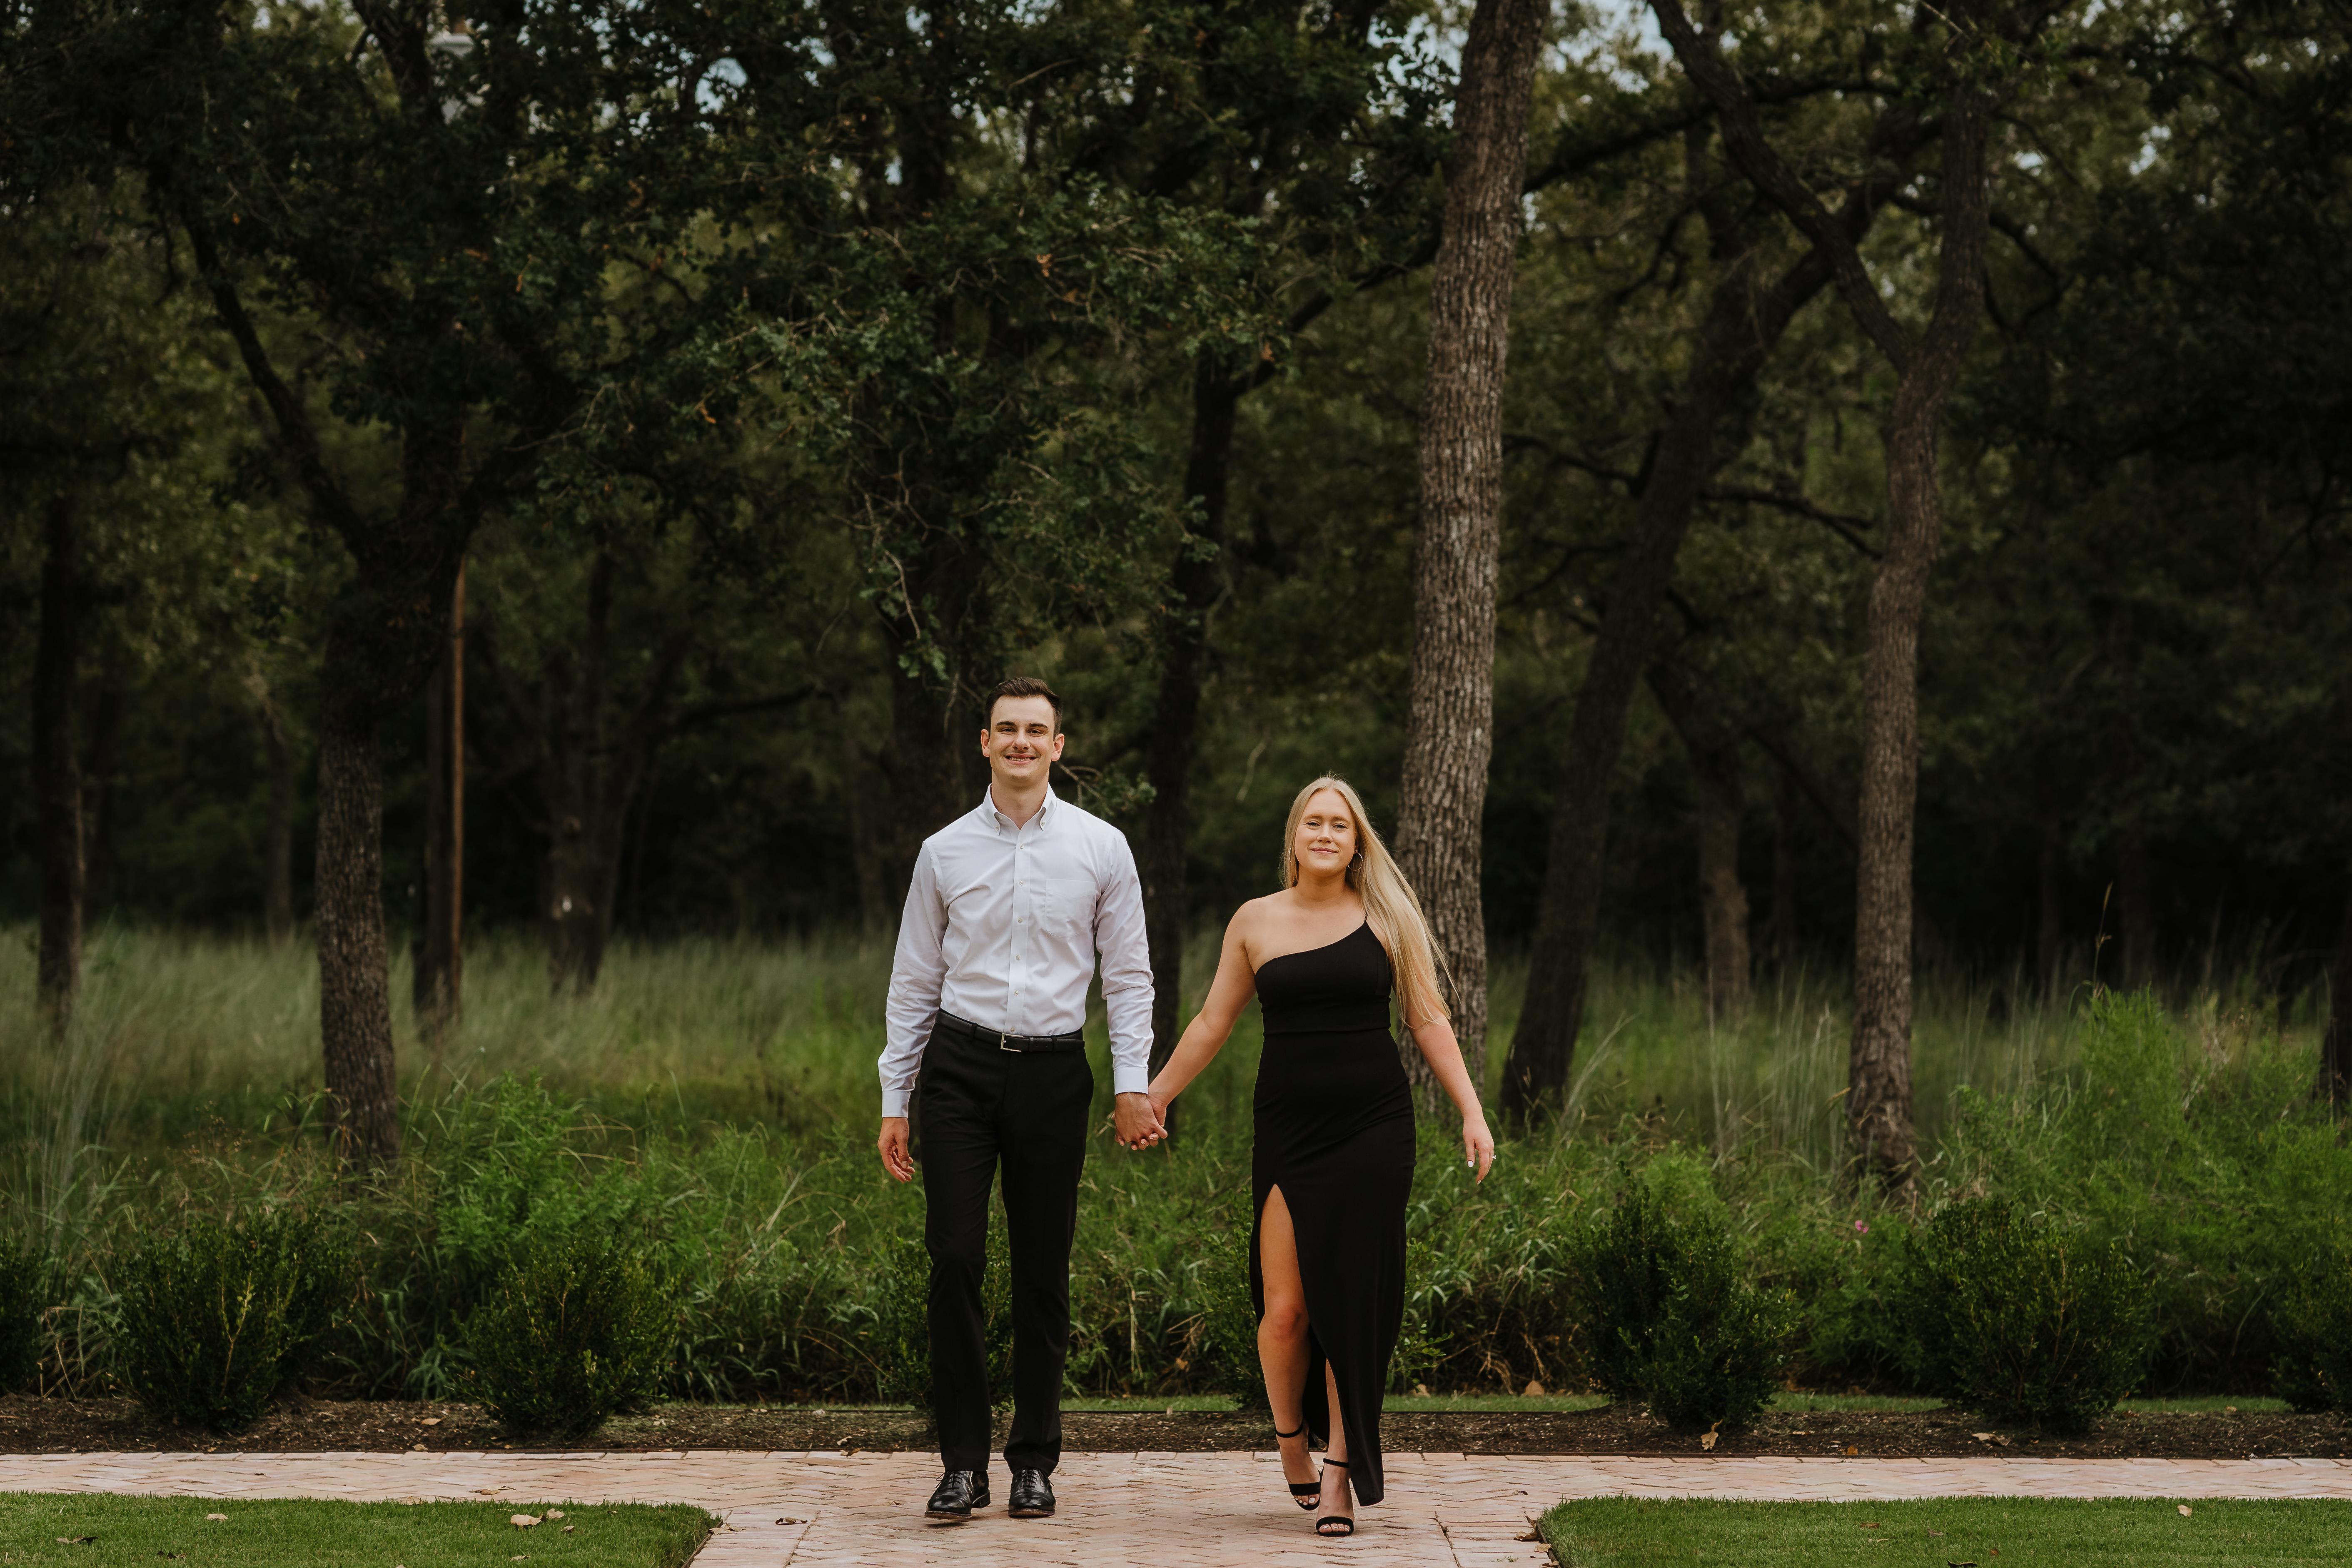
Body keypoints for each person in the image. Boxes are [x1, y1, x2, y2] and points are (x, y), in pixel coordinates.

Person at [1146, 775, 1494, 1537]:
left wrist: (1472, 1111)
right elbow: (1212, 1021)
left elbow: (1428, 1019)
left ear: (1357, 840)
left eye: (1341, 823)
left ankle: (1340, 1472)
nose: (1327, 833)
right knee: (1285, 1313)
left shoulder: (1388, 915)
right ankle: (1289, 1440)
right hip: (1288, 1130)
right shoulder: (1255, 919)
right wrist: (1156, 1094)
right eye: (1314, 821)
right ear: (1295, 836)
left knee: (1347, 1307)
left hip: (1373, 1129)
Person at [876, 676, 1165, 1524]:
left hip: (1052, 1074)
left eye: (1036, 730)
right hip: (958, 1070)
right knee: (954, 1257)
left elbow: (1129, 977)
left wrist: (1131, 1084)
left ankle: (1034, 1459)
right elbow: (913, 980)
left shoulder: (1101, 847)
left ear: (1058, 746)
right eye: (1007, 728)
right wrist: (896, 1095)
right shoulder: (944, 851)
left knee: (1043, 1270)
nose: (1021, 742)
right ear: (984, 741)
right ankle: (962, 1464)